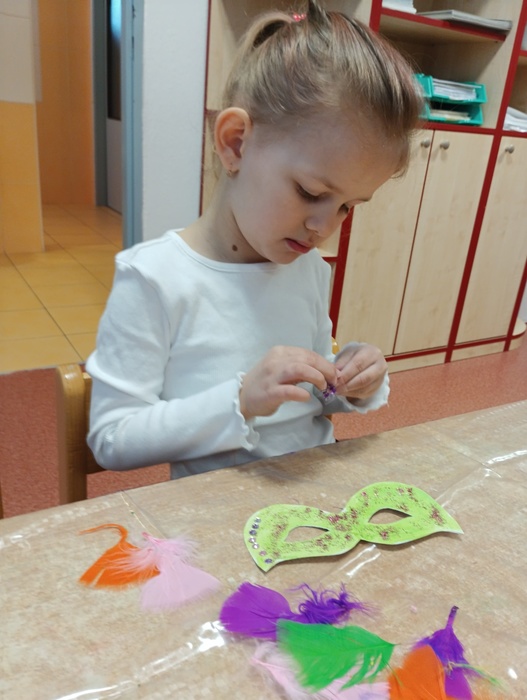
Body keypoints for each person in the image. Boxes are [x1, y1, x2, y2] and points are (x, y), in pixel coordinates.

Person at [86, 0, 422, 478]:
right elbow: (112, 439)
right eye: (311, 193)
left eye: (348, 206)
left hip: (310, 496)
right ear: (235, 143)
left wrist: (350, 382)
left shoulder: (307, 268)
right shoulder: (154, 279)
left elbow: (311, 398)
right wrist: (241, 400)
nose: (324, 227)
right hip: (218, 512)